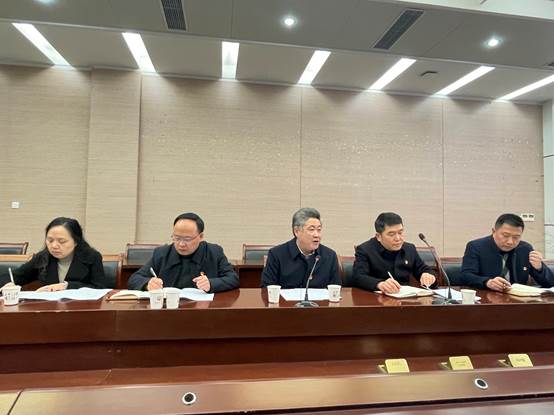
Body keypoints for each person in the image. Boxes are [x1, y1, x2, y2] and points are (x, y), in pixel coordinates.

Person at [128, 212, 239, 292]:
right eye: (177, 238)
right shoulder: (161, 253)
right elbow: (134, 279)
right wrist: (147, 284)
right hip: (169, 309)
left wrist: (211, 283)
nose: (181, 244)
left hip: (203, 310)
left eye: (187, 239)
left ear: (200, 237)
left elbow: (233, 279)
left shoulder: (214, 252)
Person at [0, 217, 107, 291]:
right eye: (50, 240)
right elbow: (16, 276)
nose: (54, 246)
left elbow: (100, 288)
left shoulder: (92, 257)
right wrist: (8, 284)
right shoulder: (43, 257)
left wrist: (67, 286)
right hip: (49, 310)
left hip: (81, 310)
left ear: (76, 241)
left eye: (62, 241)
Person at [461, 213, 553, 291]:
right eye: (505, 235)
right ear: (494, 231)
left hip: (518, 301)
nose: (510, 242)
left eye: (516, 237)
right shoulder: (476, 247)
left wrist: (539, 268)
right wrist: (487, 282)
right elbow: (466, 276)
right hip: (486, 298)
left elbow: (550, 283)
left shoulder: (525, 249)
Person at [352, 212, 436, 293]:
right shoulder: (365, 250)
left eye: (400, 232)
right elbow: (358, 277)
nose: (398, 238)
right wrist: (380, 284)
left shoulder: (409, 249)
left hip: (405, 299)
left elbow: (424, 269)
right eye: (391, 234)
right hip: (376, 299)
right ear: (378, 236)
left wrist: (428, 275)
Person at [261, 208, 340, 288]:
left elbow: (336, 289)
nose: (317, 235)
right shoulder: (276, 255)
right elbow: (267, 289)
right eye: (311, 229)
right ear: (296, 231)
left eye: (319, 230)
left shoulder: (330, 256)